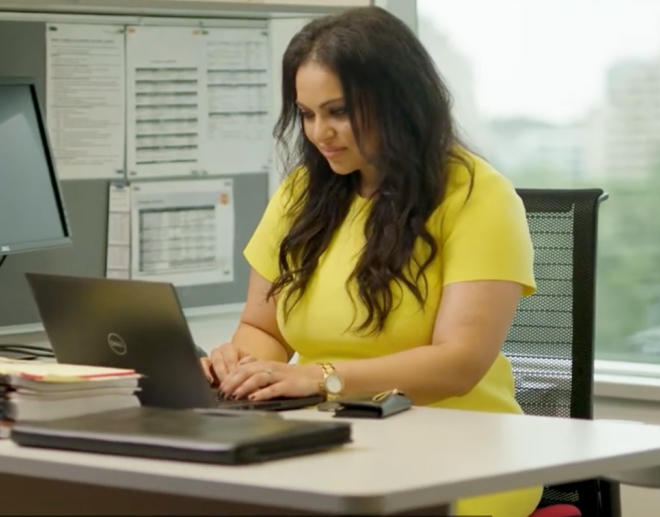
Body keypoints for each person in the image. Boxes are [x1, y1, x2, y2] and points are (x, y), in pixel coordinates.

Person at [200, 7, 542, 517]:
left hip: (465, 459)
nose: (320, 133)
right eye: (308, 114)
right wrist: (242, 370)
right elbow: (262, 326)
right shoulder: (301, 192)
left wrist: (321, 377)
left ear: (397, 101)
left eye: (338, 112)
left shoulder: (479, 197)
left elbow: (459, 364)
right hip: (337, 443)